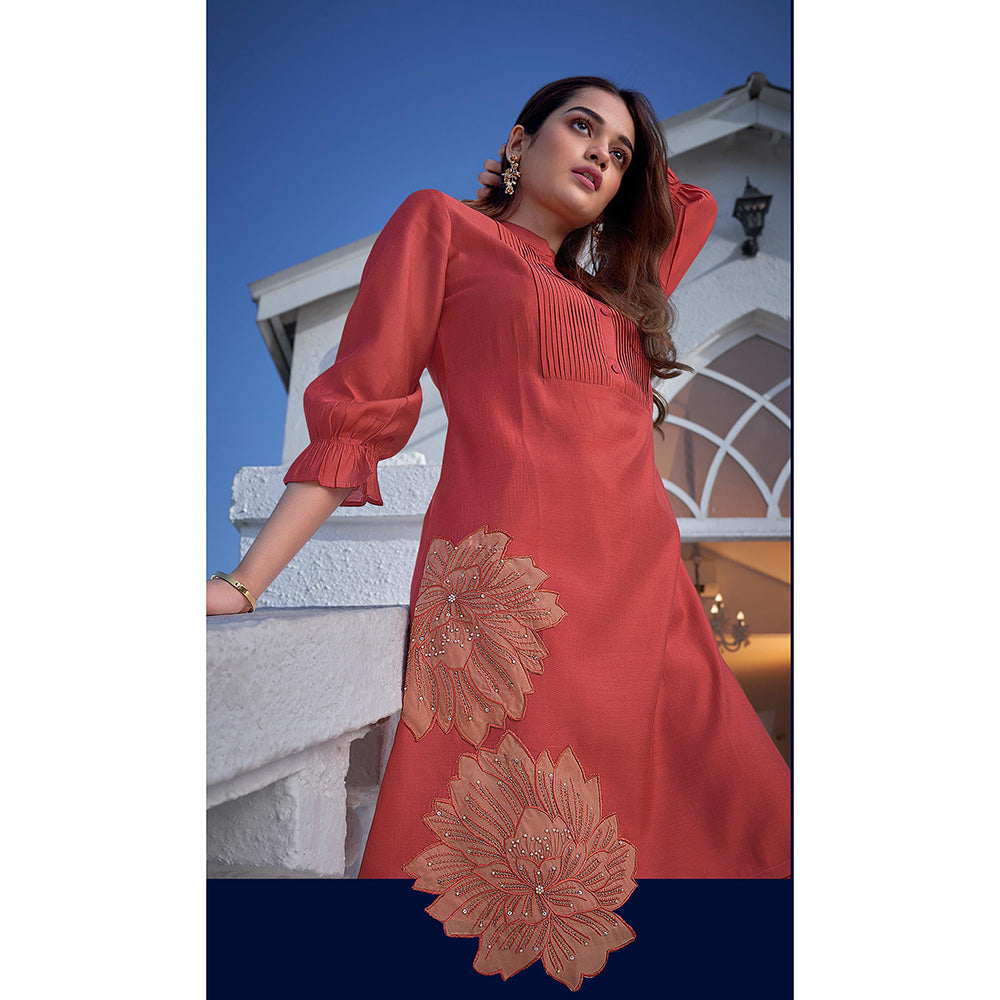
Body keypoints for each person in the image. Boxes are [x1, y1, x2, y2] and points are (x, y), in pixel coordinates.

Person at [207, 76, 790, 989]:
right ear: (519, 140)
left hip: (650, 617)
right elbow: (362, 408)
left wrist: (621, 185)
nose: (601, 155)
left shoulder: (617, 301)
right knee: (509, 897)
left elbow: (692, 205)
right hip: (515, 613)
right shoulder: (443, 228)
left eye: (620, 154)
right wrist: (247, 584)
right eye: (581, 127)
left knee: (754, 831)